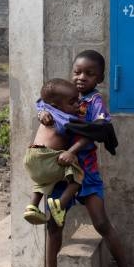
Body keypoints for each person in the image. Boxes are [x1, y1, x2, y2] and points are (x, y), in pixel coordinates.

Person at [31, 50, 131, 267]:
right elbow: (42, 106)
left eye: (89, 73)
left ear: (100, 77)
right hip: (59, 175)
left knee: (101, 223)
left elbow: (98, 131)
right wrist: (41, 114)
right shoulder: (61, 96)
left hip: (86, 174)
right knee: (54, 226)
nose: (81, 78)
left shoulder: (95, 102)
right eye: (77, 72)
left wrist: (73, 151)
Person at [22, 78, 84, 226]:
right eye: (72, 102)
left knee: (44, 179)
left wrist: (41, 112)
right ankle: (60, 205)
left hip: (31, 158)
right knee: (78, 176)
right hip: (47, 156)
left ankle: (32, 206)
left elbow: (40, 102)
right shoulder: (66, 119)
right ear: (56, 106)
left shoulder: (46, 109)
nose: (77, 105)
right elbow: (84, 131)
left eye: (78, 100)